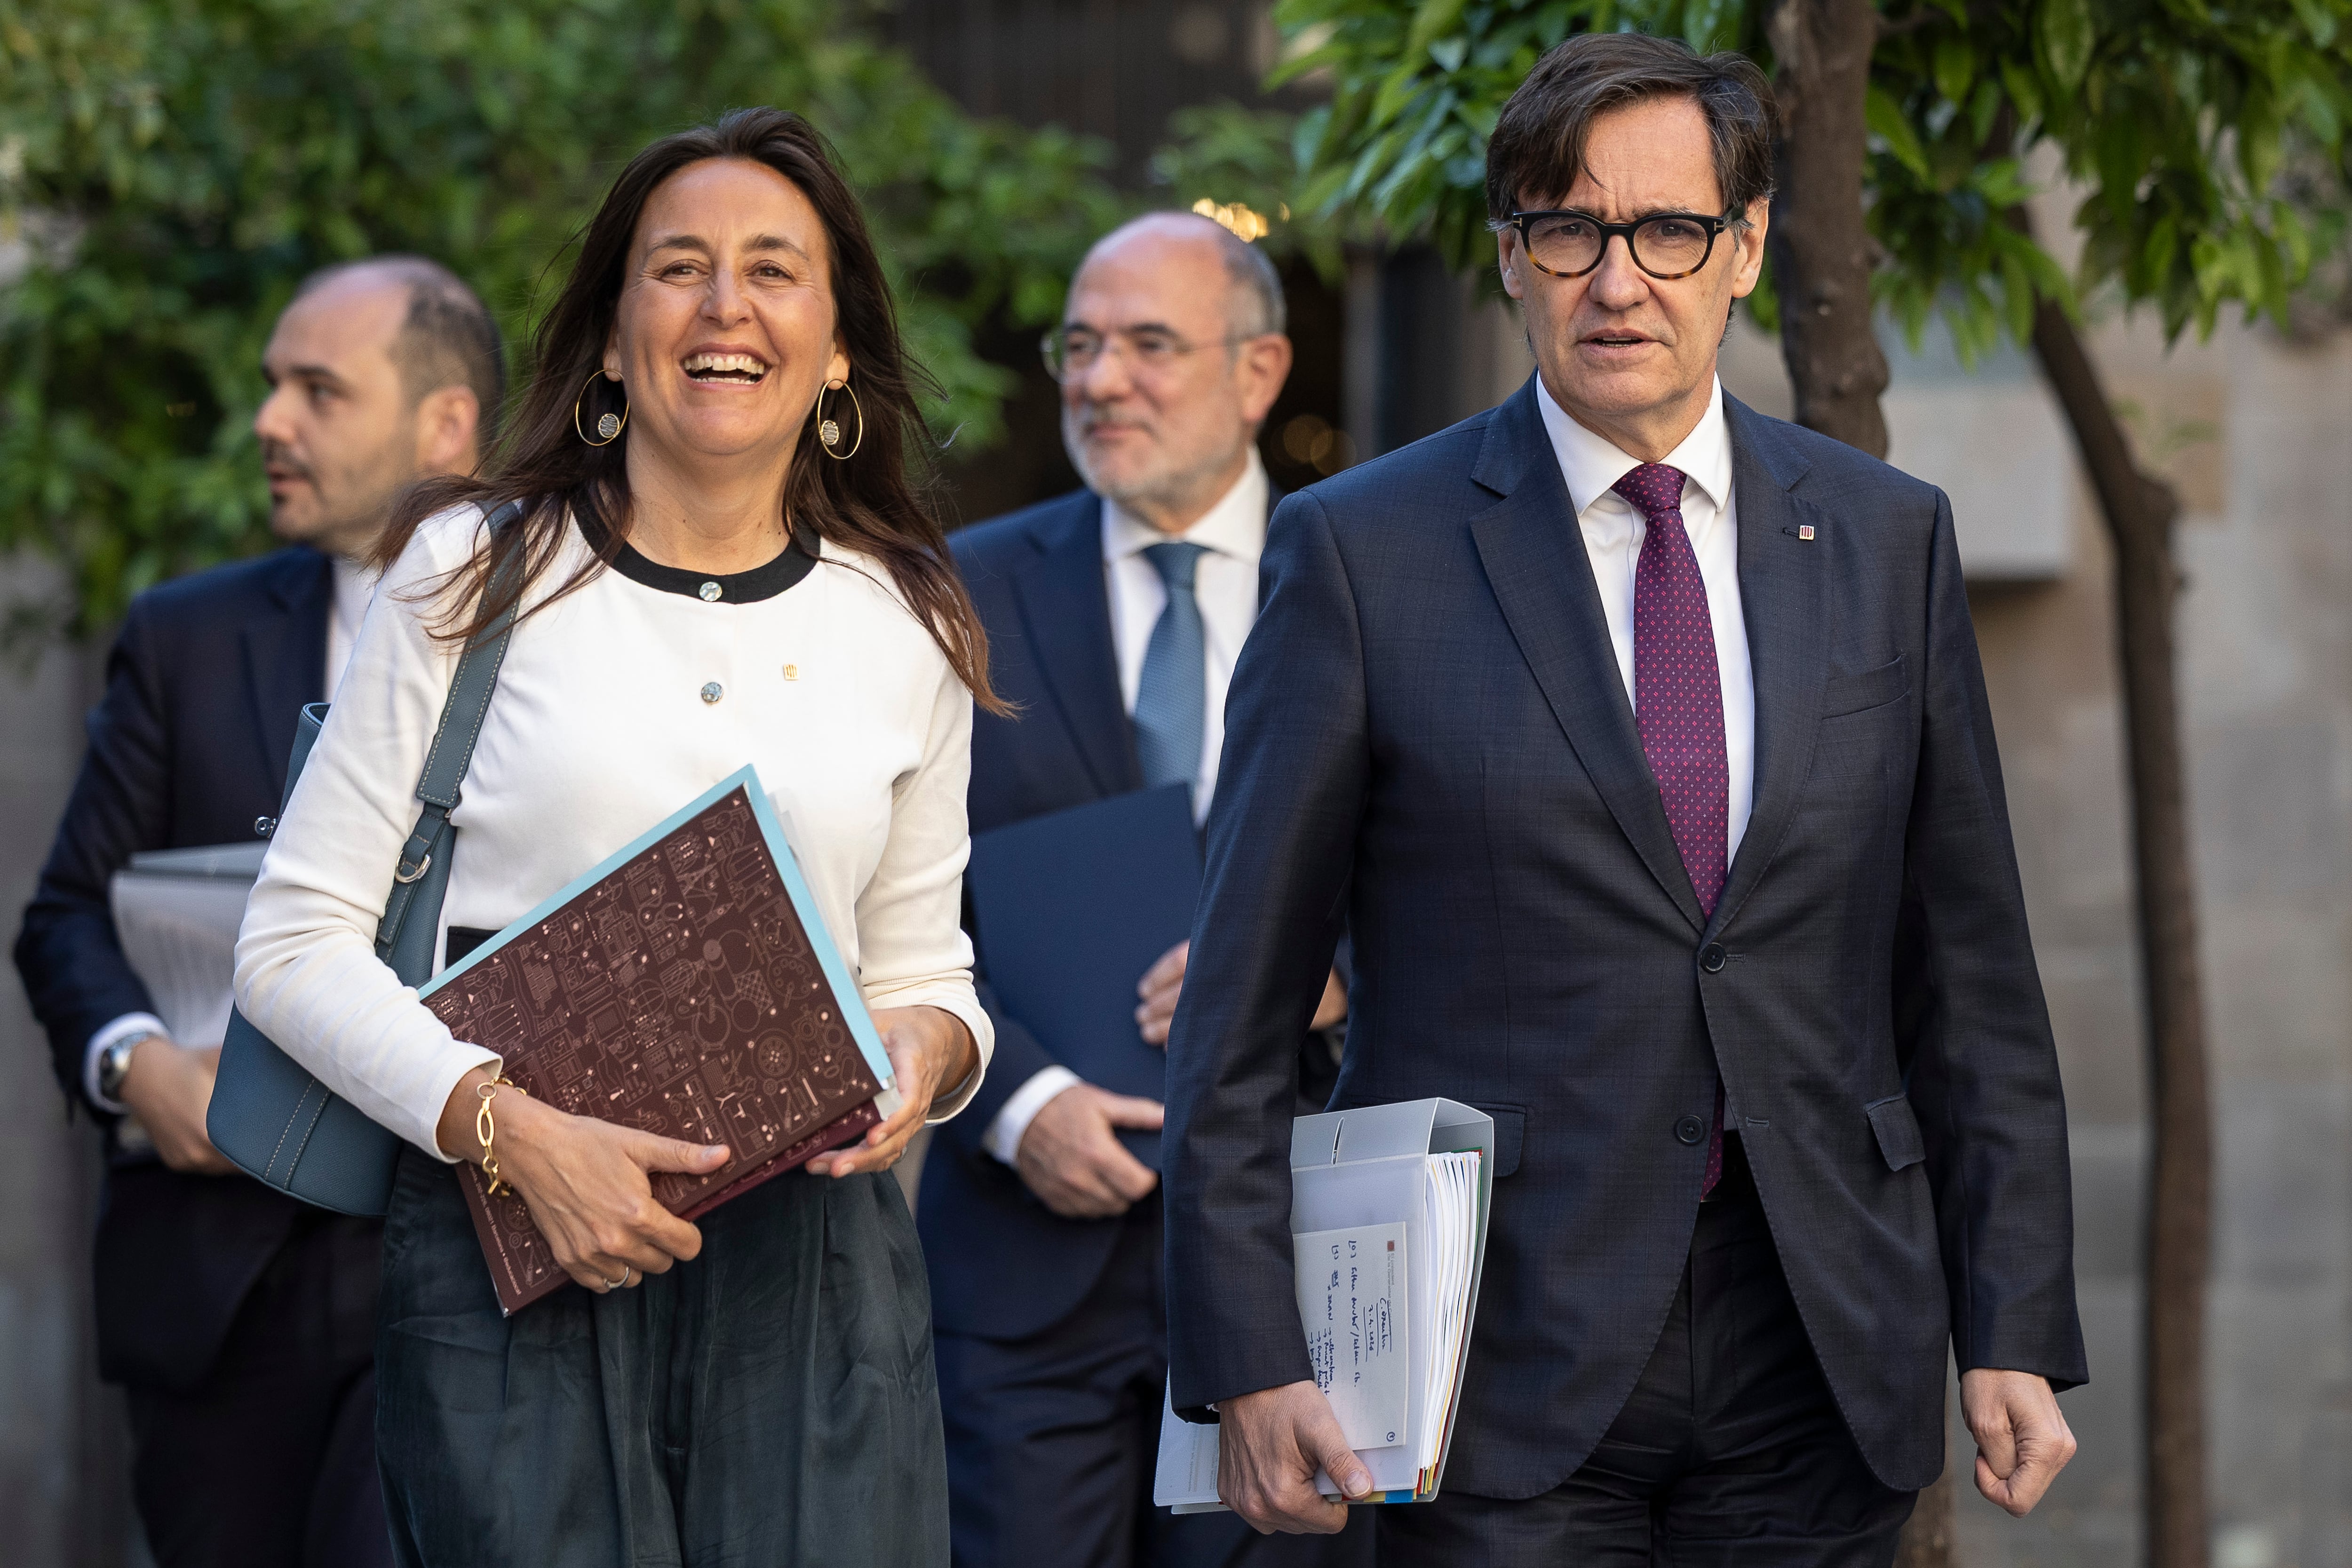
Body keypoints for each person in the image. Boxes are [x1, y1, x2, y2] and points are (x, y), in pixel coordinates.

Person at [1162, 33, 2087, 1565]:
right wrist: (1249, 1358)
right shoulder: (1361, 557)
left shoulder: (1885, 539)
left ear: (1748, 250)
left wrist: (2014, 1321)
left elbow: (1973, 982)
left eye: (1670, 232)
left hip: (1822, 1345)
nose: (1619, 280)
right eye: (1568, 231)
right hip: (1499, 1363)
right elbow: (1241, 1015)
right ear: (1511, 258)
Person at [231, 108, 992, 1567]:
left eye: (775, 270)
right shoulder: (472, 566)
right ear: (609, 333)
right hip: (510, 1247)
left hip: (813, 1277)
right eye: (679, 267)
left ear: (837, 350)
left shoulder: (910, 616)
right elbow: (291, 942)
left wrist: (927, 1060)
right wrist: (509, 1135)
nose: (725, 307)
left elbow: (929, 967)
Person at [13, 255, 498, 1568]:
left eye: (317, 390)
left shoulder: (558, 632)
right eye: (274, 385)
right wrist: (138, 1068)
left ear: (445, 424)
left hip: (465, 1260)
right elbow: (62, 915)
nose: (268, 421)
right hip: (219, 1280)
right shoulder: (185, 635)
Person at [921, 212, 1366, 1568]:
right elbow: (884, 899)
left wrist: (1340, 976)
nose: (1100, 380)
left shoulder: (1371, 574)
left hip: (1300, 1254)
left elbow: (1468, 869)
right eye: (1082, 344)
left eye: (1149, 345)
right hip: (1026, 1275)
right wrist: (1015, 1105)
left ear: (1259, 369)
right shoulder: (955, 593)